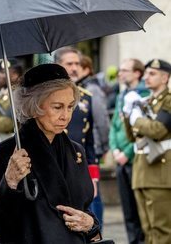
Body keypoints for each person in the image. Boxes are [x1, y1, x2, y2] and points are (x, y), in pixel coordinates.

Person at [0, 64, 101, 244]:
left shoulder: (76, 152)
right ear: (33, 107)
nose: (66, 116)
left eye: (70, 106)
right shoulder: (7, 153)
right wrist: (10, 183)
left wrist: (91, 223)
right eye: (57, 107)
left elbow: (82, 209)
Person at [123, 59, 171, 244]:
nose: (146, 77)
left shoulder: (168, 100)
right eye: (146, 73)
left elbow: (158, 130)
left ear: (165, 77)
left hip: (160, 172)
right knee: (148, 230)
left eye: (152, 74)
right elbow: (131, 137)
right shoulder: (144, 102)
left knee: (162, 230)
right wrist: (128, 114)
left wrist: (136, 119)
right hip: (142, 170)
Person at [54, 47, 102, 228]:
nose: (74, 68)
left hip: (79, 168)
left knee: (90, 220)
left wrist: (94, 177)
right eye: (69, 64)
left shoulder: (85, 98)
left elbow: (88, 141)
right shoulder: (47, 97)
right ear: (58, 65)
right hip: (57, 167)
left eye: (77, 64)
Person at [109, 58, 148, 244]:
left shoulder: (145, 93)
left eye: (124, 70)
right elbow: (115, 126)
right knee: (127, 209)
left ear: (137, 73)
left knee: (141, 209)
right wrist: (115, 149)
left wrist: (126, 152)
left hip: (135, 158)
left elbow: (142, 132)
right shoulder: (121, 95)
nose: (120, 73)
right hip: (120, 158)